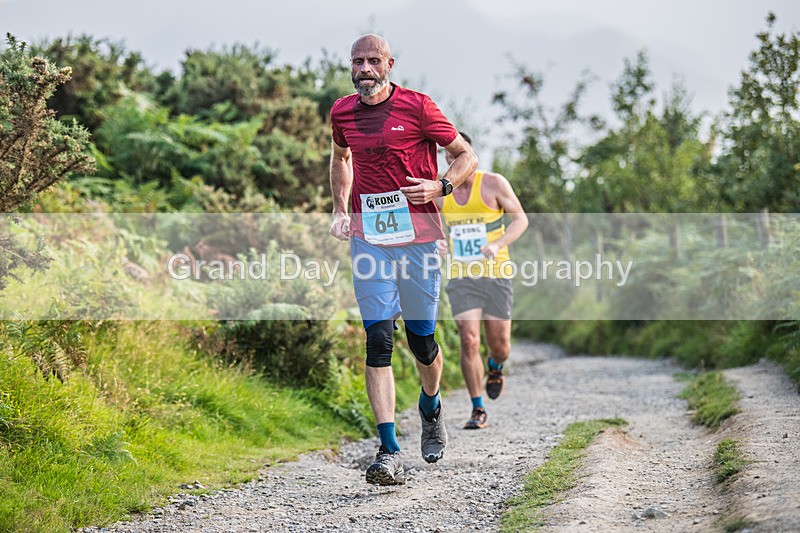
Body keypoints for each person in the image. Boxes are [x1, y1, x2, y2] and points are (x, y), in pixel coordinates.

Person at [328, 34, 477, 486]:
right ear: (351, 66)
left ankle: (430, 407)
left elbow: (465, 156)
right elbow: (341, 158)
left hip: (420, 239)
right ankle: (388, 449)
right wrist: (339, 207)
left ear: (390, 64)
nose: (365, 68)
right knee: (378, 339)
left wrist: (441, 187)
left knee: (422, 342)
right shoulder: (341, 112)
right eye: (358, 61)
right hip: (369, 239)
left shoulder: (418, 106)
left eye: (374, 60)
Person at [434, 132, 528, 430]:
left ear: (469, 153)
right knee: (468, 338)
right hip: (462, 276)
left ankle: (496, 366)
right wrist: (439, 242)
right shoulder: (441, 190)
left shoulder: (494, 183)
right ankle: (477, 408)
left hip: (496, 272)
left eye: (457, 153)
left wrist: (498, 244)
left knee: (500, 346)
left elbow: (520, 220)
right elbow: (429, 226)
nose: (453, 160)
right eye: (448, 156)